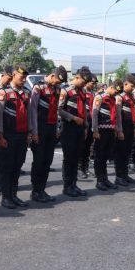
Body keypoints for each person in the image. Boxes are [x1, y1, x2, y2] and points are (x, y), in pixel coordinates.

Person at [0, 65, 31, 208]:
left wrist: (29, 132)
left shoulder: (26, 93)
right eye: (21, 77)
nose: (23, 80)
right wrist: (0, 136)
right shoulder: (4, 93)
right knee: (7, 167)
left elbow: (27, 114)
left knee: (17, 166)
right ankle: (6, 197)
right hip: (8, 136)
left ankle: (14, 195)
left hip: (21, 135)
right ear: (14, 75)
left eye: (25, 78)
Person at [29, 66, 67, 202]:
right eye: (57, 81)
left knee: (47, 161)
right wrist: (34, 131)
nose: (58, 84)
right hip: (40, 128)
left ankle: (42, 189)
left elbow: (56, 110)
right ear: (52, 76)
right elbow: (32, 110)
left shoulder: (56, 89)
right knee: (39, 161)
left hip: (51, 129)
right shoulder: (38, 88)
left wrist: (57, 128)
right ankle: (35, 191)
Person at [58, 67, 91, 197]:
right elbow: (58, 110)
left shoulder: (82, 92)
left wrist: (86, 126)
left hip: (80, 129)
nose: (84, 84)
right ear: (77, 77)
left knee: (76, 158)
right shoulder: (65, 91)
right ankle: (67, 187)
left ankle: (74, 184)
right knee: (69, 159)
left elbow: (85, 110)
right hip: (69, 128)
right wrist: (72, 118)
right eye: (83, 81)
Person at [92, 81, 121, 190]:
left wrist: (116, 129)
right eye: (115, 91)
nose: (116, 93)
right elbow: (94, 114)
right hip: (101, 130)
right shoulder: (100, 97)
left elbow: (115, 116)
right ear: (111, 87)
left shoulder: (113, 99)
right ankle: (99, 180)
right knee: (99, 156)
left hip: (110, 130)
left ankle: (105, 179)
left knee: (105, 156)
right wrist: (95, 131)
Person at [114, 75, 135, 186]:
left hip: (130, 127)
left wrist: (134, 127)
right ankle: (119, 176)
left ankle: (125, 174)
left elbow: (132, 113)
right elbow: (118, 115)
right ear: (125, 84)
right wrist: (119, 130)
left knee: (127, 152)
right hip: (122, 127)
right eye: (131, 86)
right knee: (121, 153)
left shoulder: (131, 96)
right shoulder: (120, 96)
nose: (133, 88)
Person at [79, 74, 97, 179]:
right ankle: (79, 169)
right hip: (83, 122)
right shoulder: (82, 92)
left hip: (90, 121)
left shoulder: (92, 94)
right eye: (92, 83)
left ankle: (85, 168)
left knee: (87, 147)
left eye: (95, 83)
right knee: (81, 147)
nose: (94, 85)